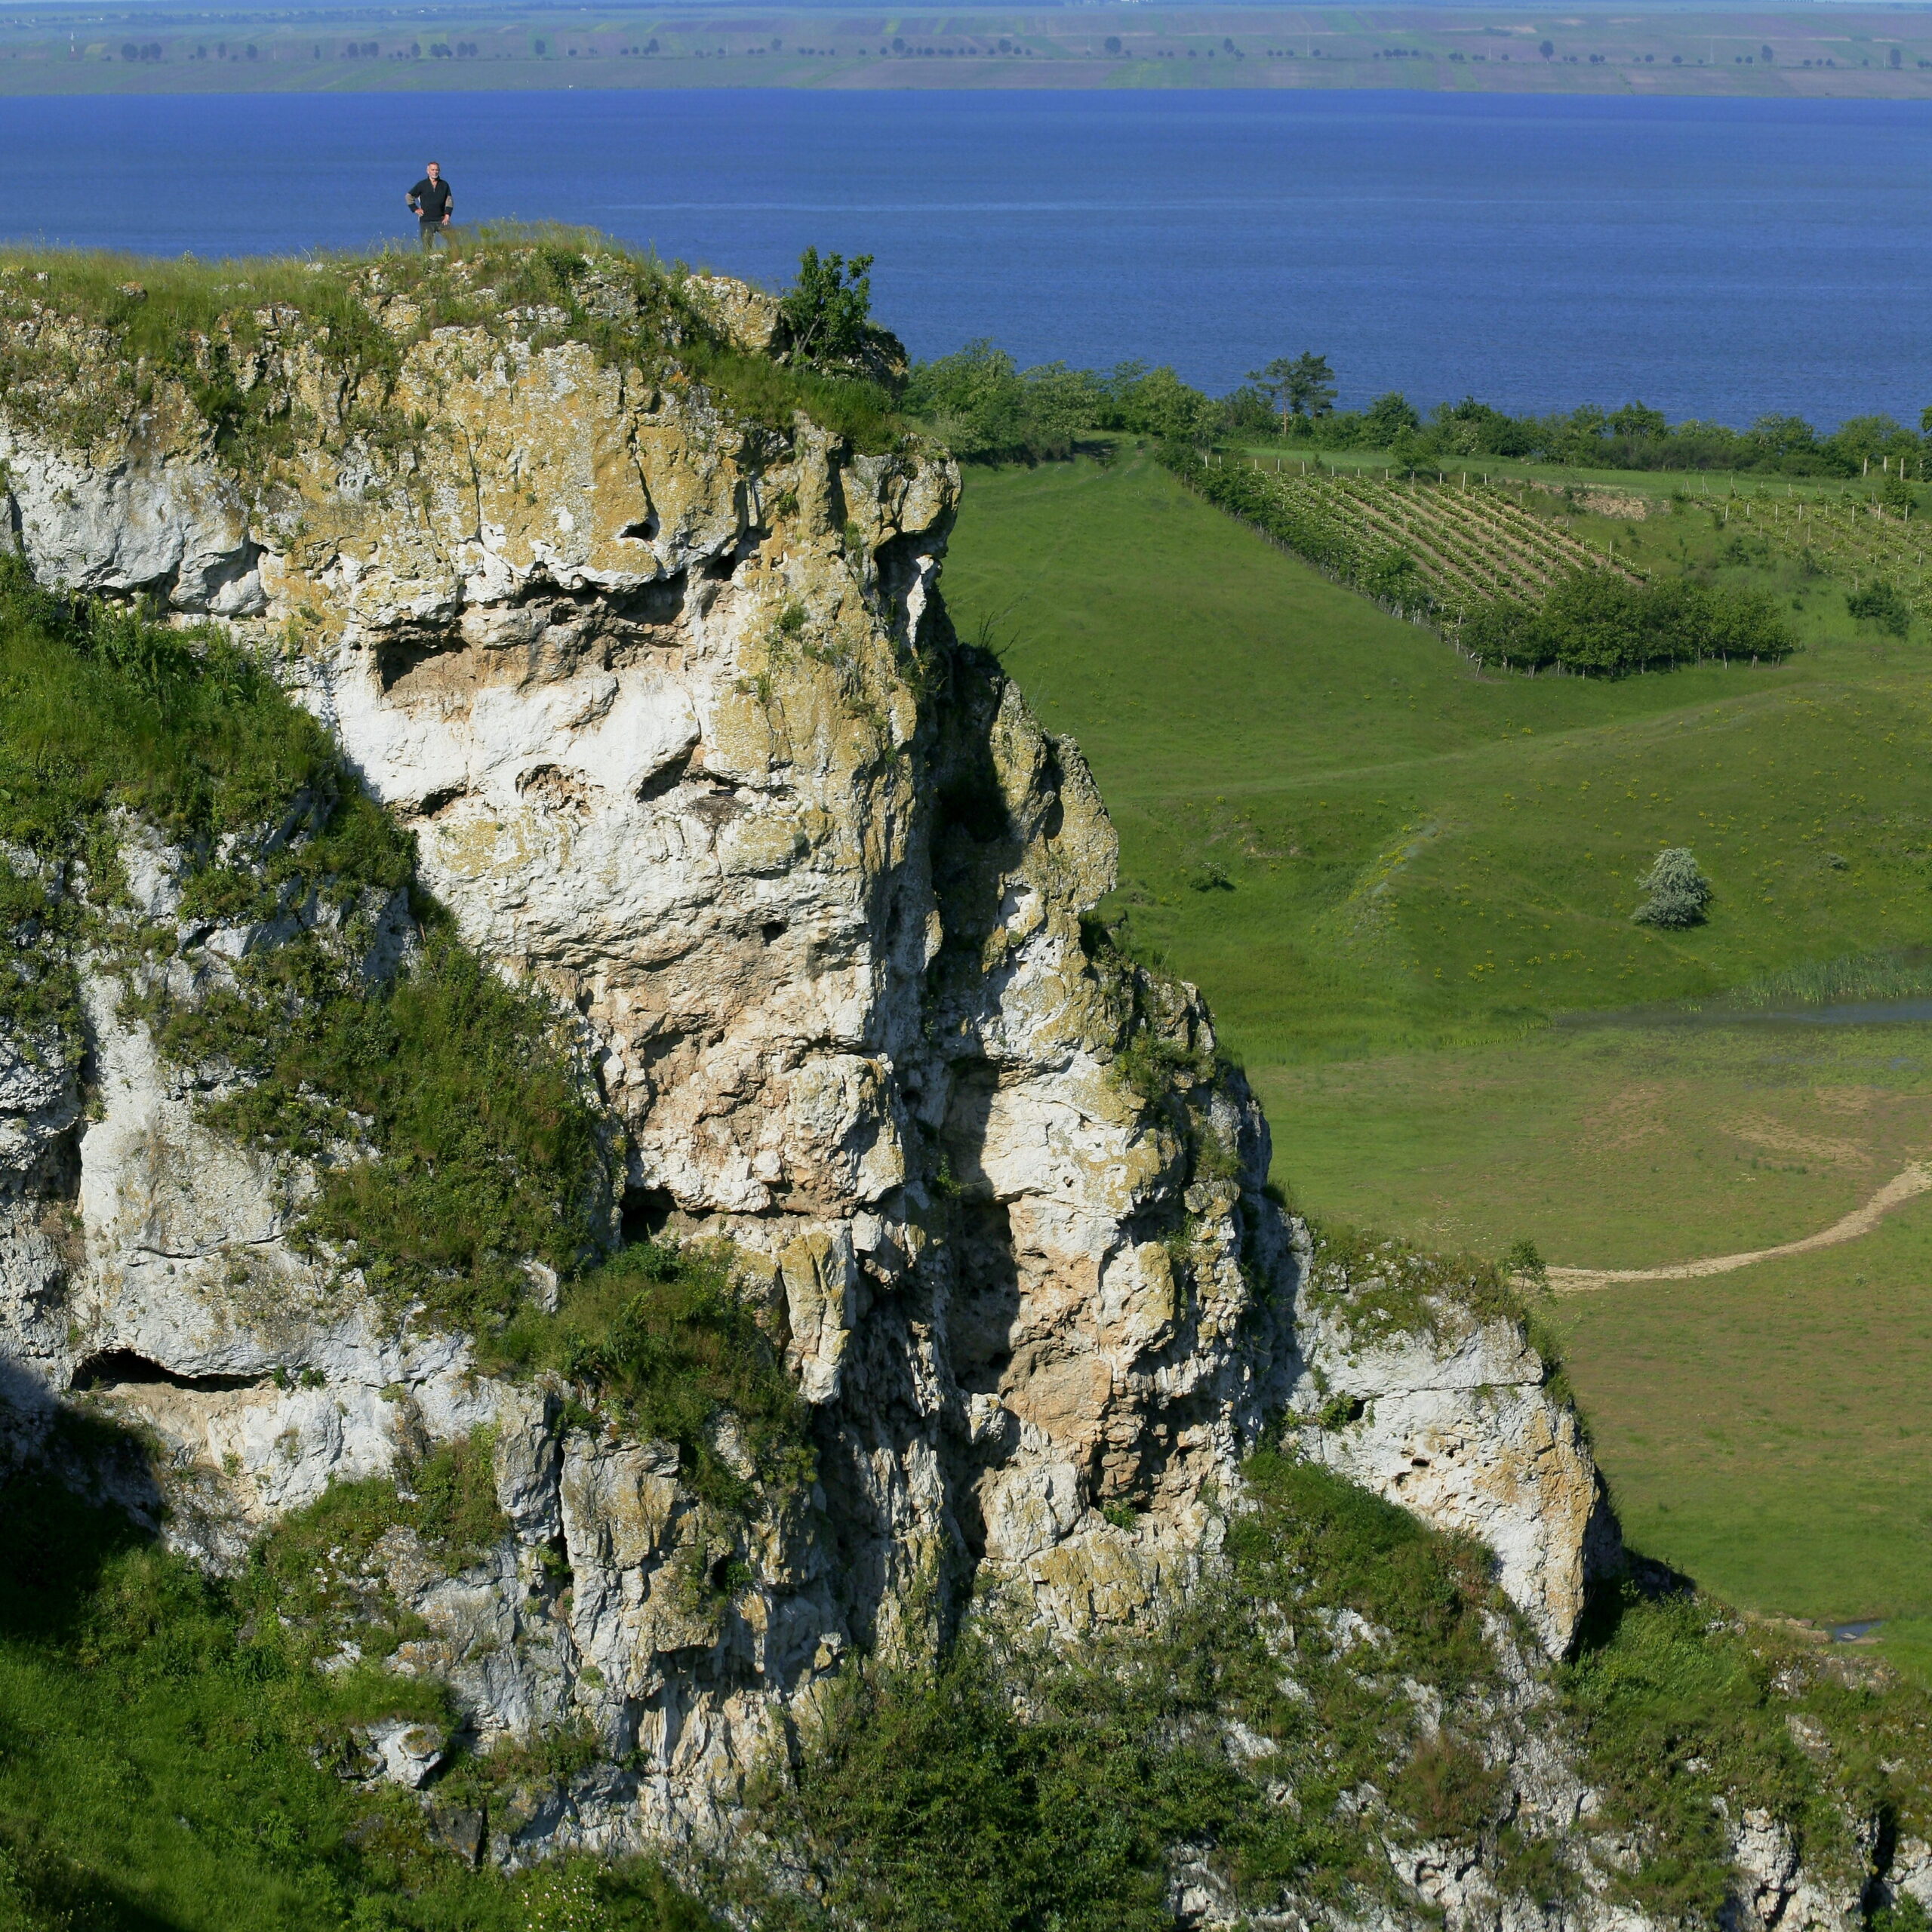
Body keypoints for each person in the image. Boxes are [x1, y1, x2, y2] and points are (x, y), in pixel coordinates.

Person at [406, 162, 453, 248]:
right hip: (426, 220)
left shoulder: (444, 185)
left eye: (437, 170)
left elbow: (449, 200)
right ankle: (427, 261)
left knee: (453, 240)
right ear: (428, 171)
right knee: (427, 245)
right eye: (433, 170)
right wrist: (415, 209)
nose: (435, 172)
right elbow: (409, 196)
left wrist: (447, 215)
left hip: (442, 220)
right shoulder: (422, 185)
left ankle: (455, 257)